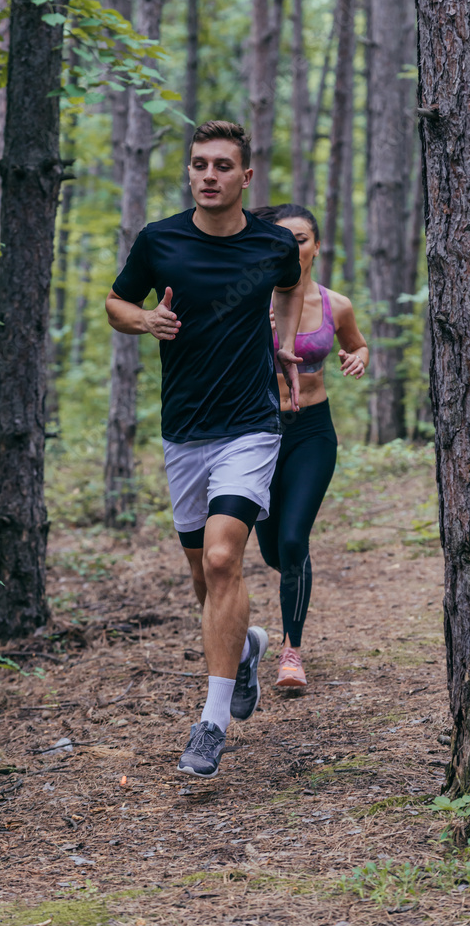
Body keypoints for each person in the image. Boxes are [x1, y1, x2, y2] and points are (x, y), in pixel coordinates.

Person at [105, 122, 304, 779]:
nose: (208, 175)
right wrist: (144, 320)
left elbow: (290, 283)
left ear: (246, 177)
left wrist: (282, 339)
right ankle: (244, 647)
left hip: (251, 424)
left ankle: (211, 721)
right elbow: (114, 302)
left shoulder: (273, 244)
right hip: (184, 430)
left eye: (222, 165)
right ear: (189, 172)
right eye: (198, 164)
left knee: (224, 556)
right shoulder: (159, 240)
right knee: (202, 577)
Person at [252, 203, 369, 688]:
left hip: (312, 431)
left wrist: (356, 357)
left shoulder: (335, 304)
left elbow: (359, 343)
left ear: (315, 246)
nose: (292, 247)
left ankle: (291, 652)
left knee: (295, 540)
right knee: (276, 554)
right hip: (256, 432)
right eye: (282, 238)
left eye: (301, 238)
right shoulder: (251, 299)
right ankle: (293, 574)